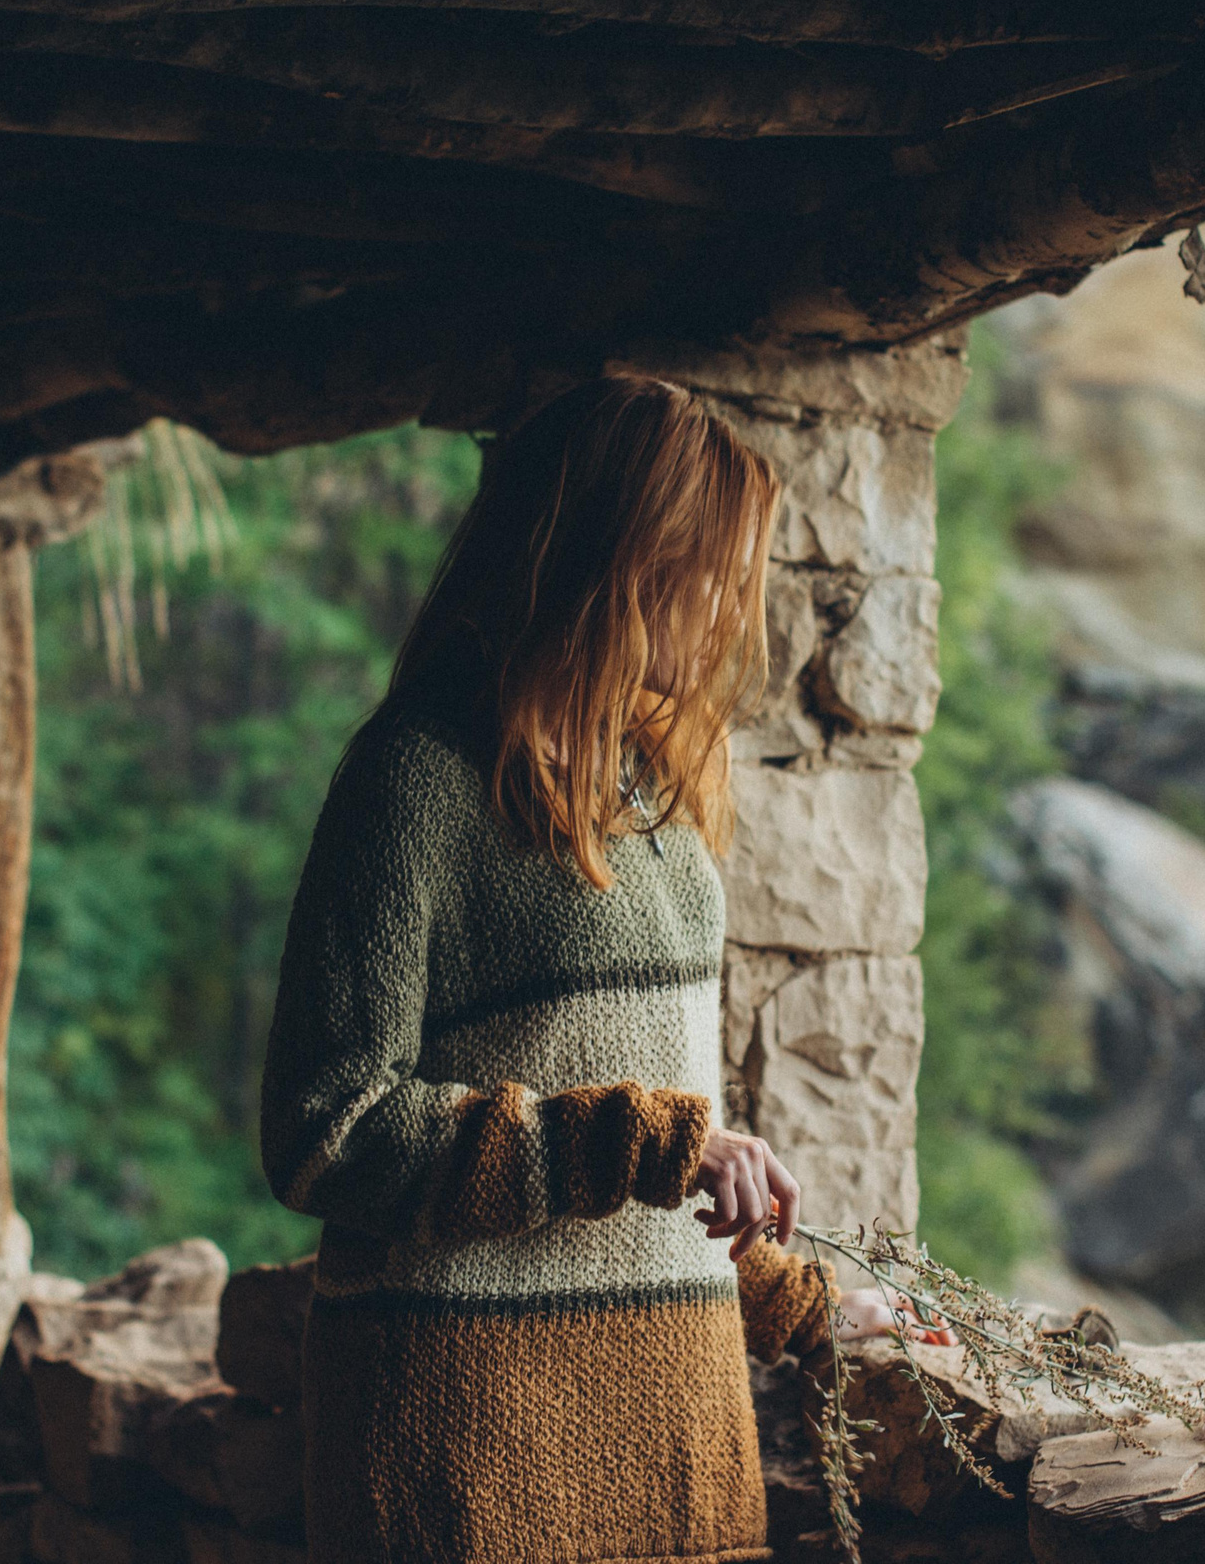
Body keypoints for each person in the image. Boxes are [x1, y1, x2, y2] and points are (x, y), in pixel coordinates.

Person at [261, 375, 905, 1564]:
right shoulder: (416, 777)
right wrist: (641, 1144)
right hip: (472, 1460)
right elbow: (323, 1129)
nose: (727, 604)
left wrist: (804, 1309)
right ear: (619, 554)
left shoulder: (651, 787)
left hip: (679, 1447)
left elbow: (660, 1148)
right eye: (708, 564)